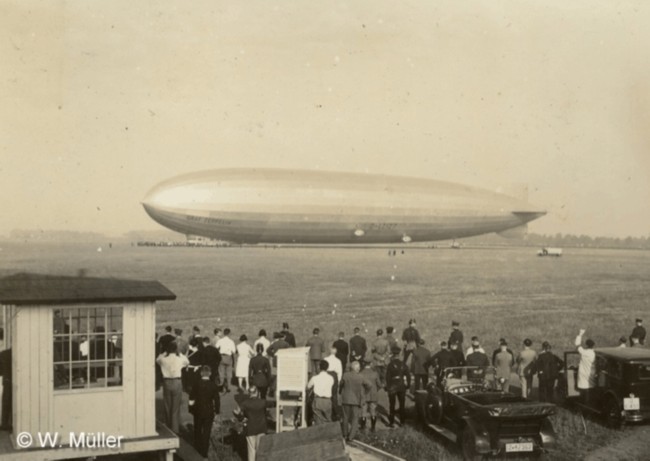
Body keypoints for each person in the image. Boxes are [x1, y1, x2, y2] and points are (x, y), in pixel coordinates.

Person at [189, 365, 220, 460]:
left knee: (197, 429)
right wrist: (217, 411)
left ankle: (197, 449)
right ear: (210, 374)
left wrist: (190, 409)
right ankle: (204, 453)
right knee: (206, 431)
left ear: (201, 373)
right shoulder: (213, 385)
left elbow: (191, 398)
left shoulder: (196, 384)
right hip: (209, 411)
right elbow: (217, 400)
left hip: (197, 410)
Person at [156, 341, 189, 433]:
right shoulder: (179, 359)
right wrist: (180, 354)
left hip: (166, 382)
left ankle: (168, 426)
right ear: (176, 349)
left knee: (167, 404)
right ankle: (175, 429)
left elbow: (158, 359)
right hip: (177, 381)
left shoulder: (163, 359)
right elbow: (187, 362)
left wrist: (164, 353)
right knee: (175, 406)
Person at [238, 386, 273, 461]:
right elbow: (273, 404)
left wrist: (241, 418)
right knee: (260, 449)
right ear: (257, 392)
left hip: (250, 428)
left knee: (251, 450)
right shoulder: (262, 402)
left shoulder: (245, 403)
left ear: (249, 393)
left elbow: (236, 411)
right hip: (261, 428)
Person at [339, 361, 370, 441]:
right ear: (357, 368)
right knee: (355, 418)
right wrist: (365, 392)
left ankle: (345, 434)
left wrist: (341, 391)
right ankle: (351, 436)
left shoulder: (345, 375)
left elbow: (341, 384)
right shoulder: (361, 377)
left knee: (345, 417)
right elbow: (370, 385)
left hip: (346, 399)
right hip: (356, 400)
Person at [385, 345, 410, 427]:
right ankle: (402, 422)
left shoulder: (390, 365)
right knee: (402, 404)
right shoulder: (403, 364)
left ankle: (391, 422)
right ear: (399, 354)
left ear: (392, 354)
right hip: (401, 385)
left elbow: (387, 377)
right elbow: (408, 376)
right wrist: (408, 385)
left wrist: (388, 387)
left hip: (393, 386)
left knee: (392, 405)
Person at [307, 360, 335, 425]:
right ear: (327, 368)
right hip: (327, 401)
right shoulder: (331, 378)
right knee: (328, 419)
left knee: (318, 420)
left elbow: (308, 386)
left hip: (318, 400)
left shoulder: (315, 378)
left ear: (319, 367)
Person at [575, 329, 596, 404]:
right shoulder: (594, 354)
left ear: (586, 345)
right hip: (591, 374)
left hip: (583, 374)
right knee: (590, 389)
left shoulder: (584, 352)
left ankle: (584, 405)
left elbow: (577, 345)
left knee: (583, 392)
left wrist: (580, 334)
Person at [360, 361, 381, 432]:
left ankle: (363, 427)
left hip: (364, 395)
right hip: (373, 395)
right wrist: (375, 390)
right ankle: (373, 428)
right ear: (371, 364)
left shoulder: (361, 373)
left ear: (363, 364)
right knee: (373, 411)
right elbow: (379, 385)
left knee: (363, 412)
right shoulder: (375, 373)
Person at [216, 328, 237, 393]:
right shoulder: (231, 341)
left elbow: (216, 347)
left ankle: (221, 384)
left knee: (221, 372)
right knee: (229, 373)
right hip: (228, 357)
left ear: (224, 333)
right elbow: (233, 351)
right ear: (229, 333)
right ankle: (228, 386)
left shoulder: (220, 340)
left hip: (222, 356)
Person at [0, 348, 12, 430]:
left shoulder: (3, 354)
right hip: (10, 380)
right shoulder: (5, 354)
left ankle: (4, 423)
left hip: (6, 380)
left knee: (6, 401)